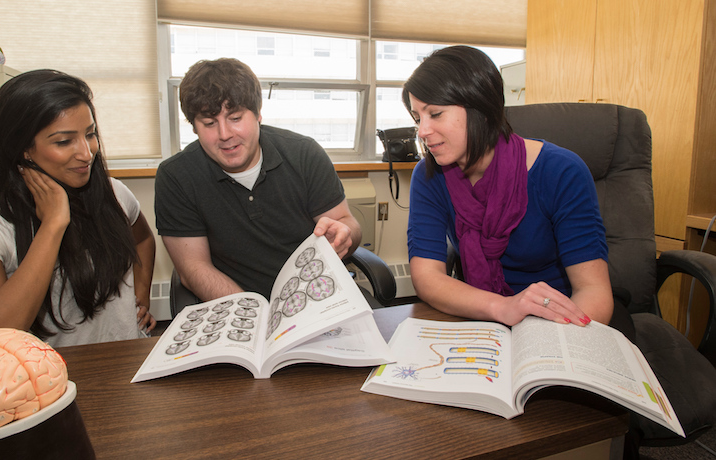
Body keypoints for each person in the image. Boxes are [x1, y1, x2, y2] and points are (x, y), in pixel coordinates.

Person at [405, 46, 618, 329]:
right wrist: (503, 307)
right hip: (481, 313)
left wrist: (554, 341)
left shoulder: (561, 171)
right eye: (418, 117)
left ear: (480, 107)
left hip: (558, 319)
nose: (422, 131)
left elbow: (593, 290)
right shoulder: (429, 175)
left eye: (436, 114)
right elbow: (428, 278)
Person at [0, 69, 157, 347]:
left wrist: (141, 294)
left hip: (125, 358)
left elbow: (142, 239)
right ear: (22, 148)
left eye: (90, 134)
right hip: (44, 380)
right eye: (64, 141)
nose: (86, 152)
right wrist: (53, 225)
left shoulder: (114, 193)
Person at [154, 58, 361, 301]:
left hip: (314, 298)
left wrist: (345, 234)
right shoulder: (176, 177)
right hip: (236, 308)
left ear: (258, 113)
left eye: (235, 118)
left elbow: (347, 223)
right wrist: (255, 313)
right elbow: (194, 270)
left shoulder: (304, 153)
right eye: (209, 123)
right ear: (194, 127)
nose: (225, 135)